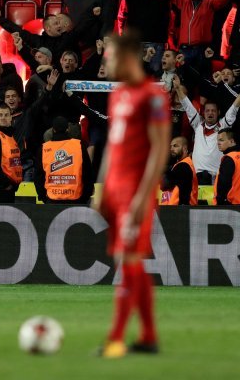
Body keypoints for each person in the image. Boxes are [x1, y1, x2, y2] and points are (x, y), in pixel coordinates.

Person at [94, 30, 171, 358]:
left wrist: (143, 195)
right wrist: (101, 188)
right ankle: (149, 337)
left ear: (126, 56)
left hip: (136, 190)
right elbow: (113, 145)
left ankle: (115, 339)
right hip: (115, 189)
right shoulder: (119, 94)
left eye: (110, 56)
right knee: (131, 262)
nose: (106, 62)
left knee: (127, 262)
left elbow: (159, 148)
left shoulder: (153, 97)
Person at [36, 116, 94, 204]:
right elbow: (88, 173)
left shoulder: (44, 148)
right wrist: (84, 197)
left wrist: (44, 198)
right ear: (68, 129)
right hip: (76, 199)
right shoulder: (79, 146)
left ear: (53, 130)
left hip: (52, 200)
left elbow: (38, 176)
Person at [160, 136, 199, 206]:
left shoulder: (184, 165)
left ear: (184, 148)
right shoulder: (180, 164)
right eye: (171, 146)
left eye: (175, 146)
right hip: (175, 210)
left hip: (180, 211)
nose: (171, 149)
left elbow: (165, 185)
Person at [215, 128, 240, 205]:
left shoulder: (229, 158)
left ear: (232, 141)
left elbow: (224, 183)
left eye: (221, 140)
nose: (218, 143)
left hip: (230, 205)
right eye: (218, 140)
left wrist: (220, 202)